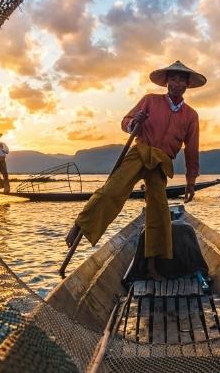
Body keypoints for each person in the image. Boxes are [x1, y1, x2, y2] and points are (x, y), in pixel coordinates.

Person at [65, 60, 205, 280]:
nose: (176, 83)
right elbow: (125, 121)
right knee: (113, 190)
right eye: (173, 78)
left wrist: (191, 181)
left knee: (159, 212)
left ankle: (152, 266)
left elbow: (192, 150)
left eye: (181, 79)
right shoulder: (150, 100)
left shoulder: (191, 115)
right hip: (139, 152)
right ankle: (80, 224)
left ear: (187, 85)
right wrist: (134, 122)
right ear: (167, 82)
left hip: (161, 162)